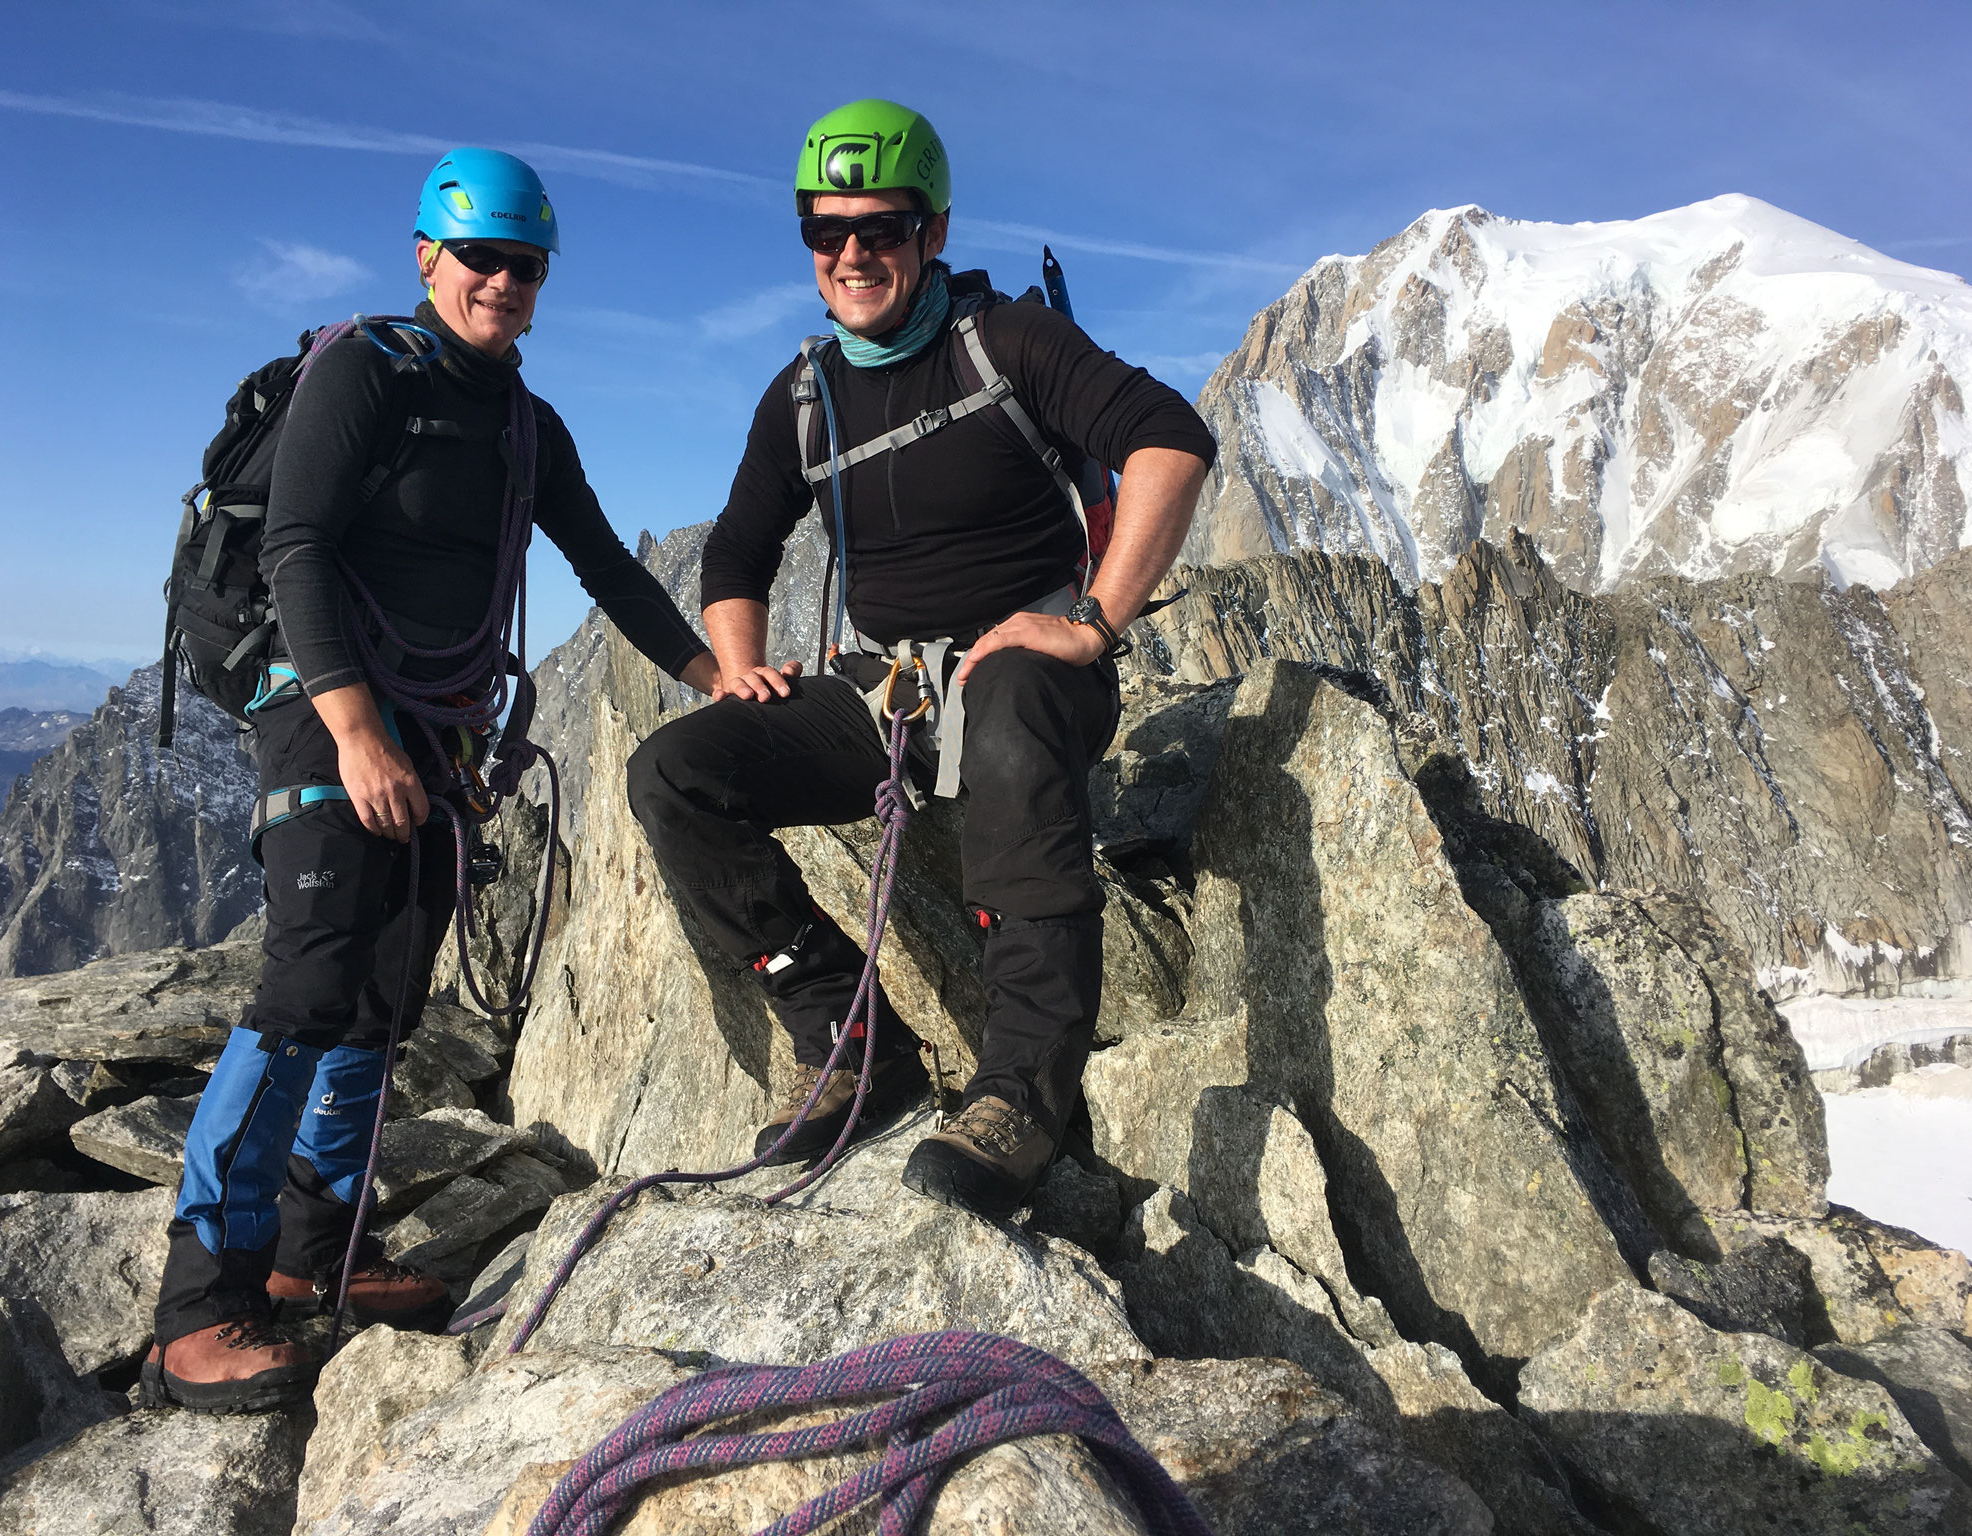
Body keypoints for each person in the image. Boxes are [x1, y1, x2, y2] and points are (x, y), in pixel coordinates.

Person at [144, 148, 719, 1413]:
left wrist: (710, 670)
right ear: (427, 257)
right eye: (480, 258)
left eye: (525, 265)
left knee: (388, 984)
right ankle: (198, 1302)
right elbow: (294, 546)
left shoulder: (525, 423)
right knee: (310, 972)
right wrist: (351, 728)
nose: (502, 283)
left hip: (441, 730)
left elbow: (604, 565)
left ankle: (315, 1247)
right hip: (325, 703)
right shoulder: (362, 372)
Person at [626, 100, 1213, 1223]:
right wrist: (742, 669)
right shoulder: (802, 395)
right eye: (826, 231)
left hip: (1029, 671)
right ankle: (850, 1046)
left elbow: (1169, 439)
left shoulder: (1008, 342)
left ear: (931, 234)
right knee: (673, 774)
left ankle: (1020, 1095)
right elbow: (739, 549)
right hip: (883, 694)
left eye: (881, 230)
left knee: (1003, 704)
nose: (852, 255)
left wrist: (1090, 623)